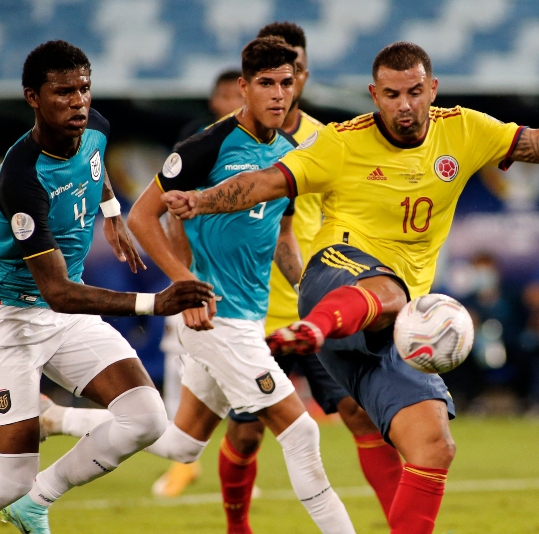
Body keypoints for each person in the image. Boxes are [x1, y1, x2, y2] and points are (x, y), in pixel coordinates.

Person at [163, 41, 539, 534]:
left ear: (432, 88)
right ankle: (312, 331)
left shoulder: (465, 130)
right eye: (391, 94)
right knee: (384, 293)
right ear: (374, 94)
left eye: (415, 92)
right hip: (332, 278)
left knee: (433, 444)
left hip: (395, 322)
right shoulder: (341, 142)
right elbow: (266, 183)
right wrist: (199, 201)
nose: (405, 105)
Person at [45, 36, 356, 533]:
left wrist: (308, 291)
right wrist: (186, 282)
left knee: (180, 444)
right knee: (300, 434)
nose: (279, 94)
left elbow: (281, 233)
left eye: (286, 83)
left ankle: (57, 418)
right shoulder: (205, 146)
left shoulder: (291, 154)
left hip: (248, 319)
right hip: (215, 318)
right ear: (243, 87)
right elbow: (144, 216)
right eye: (266, 84)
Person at [0, 40, 214, 533]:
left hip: (65, 318)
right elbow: (57, 290)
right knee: (11, 475)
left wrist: (112, 213)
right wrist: (155, 302)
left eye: (83, 88)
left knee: (146, 418)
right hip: (11, 319)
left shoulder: (94, 127)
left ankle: (36, 503)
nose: (77, 102)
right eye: (62, 93)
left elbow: (94, 170)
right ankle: (20, 494)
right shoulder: (21, 177)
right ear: (32, 97)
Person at [217, 21, 402, 532]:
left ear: (303, 73)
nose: (285, 81)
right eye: (274, 74)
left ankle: (400, 526)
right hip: (249, 314)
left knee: (357, 413)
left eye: (293, 70)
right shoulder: (228, 144)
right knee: (247, 434)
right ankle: (238, 527)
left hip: (315, 305)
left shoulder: (331, 140)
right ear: (254, 79)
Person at [151, 68, 245, 499]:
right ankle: (183, 464)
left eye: (236, 94)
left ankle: (227, 467)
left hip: (239, 283)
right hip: (196, 276)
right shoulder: (197, 143)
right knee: (179, 365)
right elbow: (167, 210)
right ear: (214, 101)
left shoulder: (257, 148)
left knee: (246, 391)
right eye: (225, 95)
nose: (232, 103)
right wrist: (182, 274)